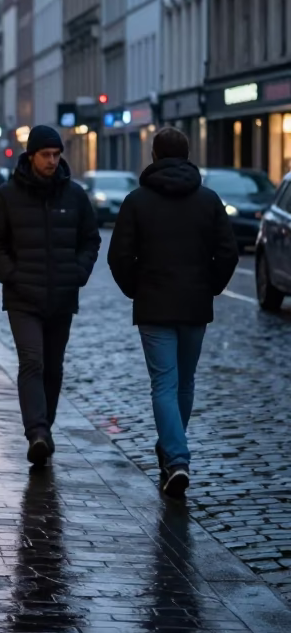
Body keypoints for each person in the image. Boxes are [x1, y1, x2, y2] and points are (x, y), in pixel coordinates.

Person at [107, 126, 238, 498]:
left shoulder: (137, 201)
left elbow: (118, 256)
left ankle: (176, 457)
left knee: (164, 383)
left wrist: (136, 288)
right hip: (195, 304)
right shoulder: (208, 200)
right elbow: (228, 252)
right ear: (187, 154)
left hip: (154, 304)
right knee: (184, 381)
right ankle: (173, 449)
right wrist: (210, 285)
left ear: (153, 155)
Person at [0, 125, 100, 465]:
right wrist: (12, 276)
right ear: (31, 156)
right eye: (46, 155)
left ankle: (45, 426)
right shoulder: (7, 195)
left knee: (53, 367)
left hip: (62, 296)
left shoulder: (74, 195)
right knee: (32, 361)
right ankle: (36, 432)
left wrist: (78, 273)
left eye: (56, 155)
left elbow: (90, 239)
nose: (52, 161)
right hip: (23, 298)